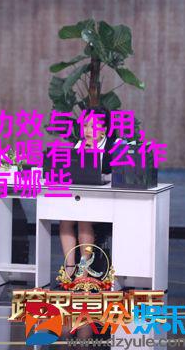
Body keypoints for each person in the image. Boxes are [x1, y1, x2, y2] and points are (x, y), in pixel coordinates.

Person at [59, 106, 117, 276]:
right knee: (65, 220)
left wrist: (102, 173)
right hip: (84, 198)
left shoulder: (115, 146)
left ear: (105, 128)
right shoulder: (80, 145)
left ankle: (83, 269)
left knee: (84, 220)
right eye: (85, 126)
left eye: (93, 126)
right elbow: (73, 172)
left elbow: (120, 175)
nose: (88, 131)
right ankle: (70, 268)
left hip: (107, 201)